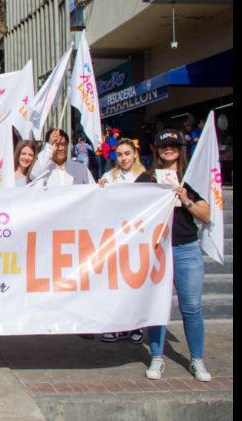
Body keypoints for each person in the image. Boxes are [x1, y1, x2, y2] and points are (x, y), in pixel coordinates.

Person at [143, 129, 213, 382]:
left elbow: (206, 215)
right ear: (156, 149)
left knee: (191, 307)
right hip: (157, 250)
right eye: (164, 145)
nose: (168, 149)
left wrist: (186, 200)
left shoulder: (192, 179)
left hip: (186, 249)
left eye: (173, 145)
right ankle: (156, 357)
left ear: (181, 149)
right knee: (156, 306)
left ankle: (197, 360)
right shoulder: (147, 178)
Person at [97, 138, 150, 344]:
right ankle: (116, 326)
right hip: (115, 237)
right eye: (119, 155)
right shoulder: (109, 177)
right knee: (115, 283)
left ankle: (136, 325)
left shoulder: (146, 176)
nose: (123, 158)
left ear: (135, 154)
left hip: (139, 236)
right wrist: (99, 188)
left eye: (127, 153)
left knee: (135, 284)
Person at [30, 128, 95, 185]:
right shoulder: (44, 170)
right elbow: (34, 175)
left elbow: (93, 190)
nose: (60, 148)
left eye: (63, 144)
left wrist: (100, 186)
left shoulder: (81, 169)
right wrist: (49, 145)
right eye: (56, 145)